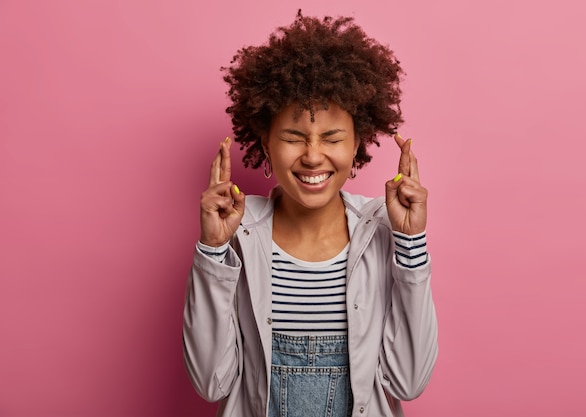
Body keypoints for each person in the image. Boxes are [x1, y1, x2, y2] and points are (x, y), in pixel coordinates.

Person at [183, 10, 438, 417]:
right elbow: (211, 382)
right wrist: (212, 251)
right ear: (265, 141)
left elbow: (407, 381)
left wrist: (410, 243)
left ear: (358, 143)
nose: (313, 156)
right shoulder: (239, 231)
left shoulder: (381, 231)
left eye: (333, 138)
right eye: (293, 137)